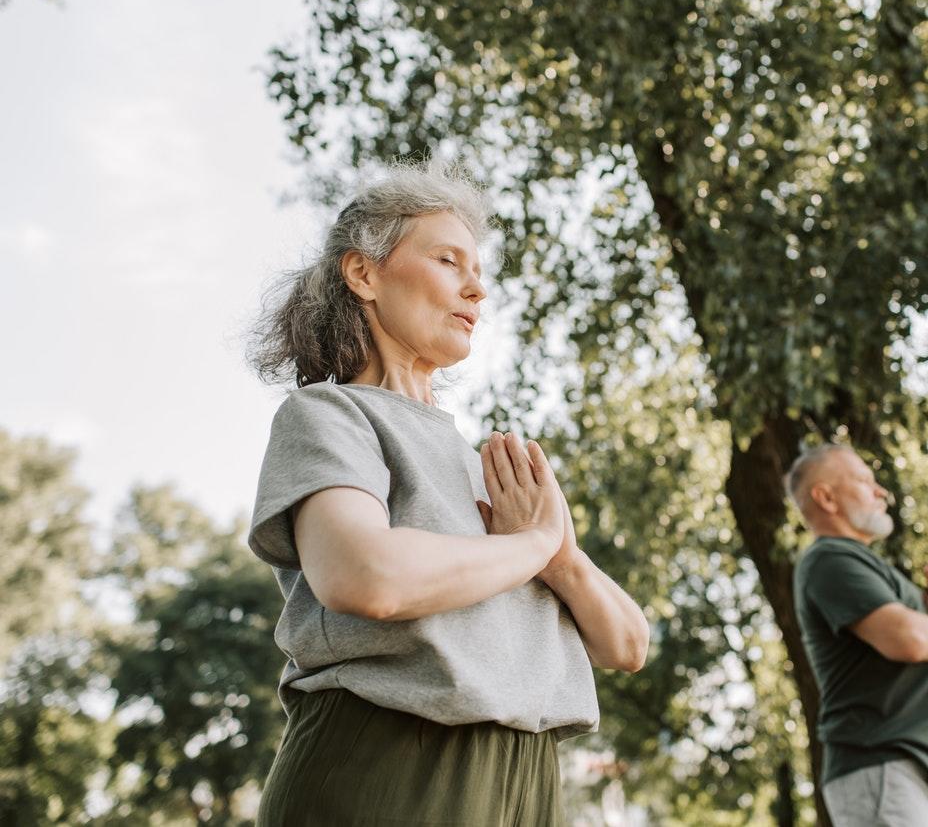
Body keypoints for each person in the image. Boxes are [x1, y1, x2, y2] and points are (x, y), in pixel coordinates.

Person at [245, 160, 649, 826]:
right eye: (449, 260)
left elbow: (627, 645)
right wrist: (533, 542)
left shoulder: (492, 474)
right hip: (389, 768)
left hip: (528, 786)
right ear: (364, 273)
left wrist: (558, 557)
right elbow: (363, 574)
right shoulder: (330, 414)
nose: (476, 289)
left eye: (480, 272)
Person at [788, 444, 928, 826]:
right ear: (825, 497)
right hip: (884, 770)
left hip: (913, 777)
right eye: (864, 481)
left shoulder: (880, 573)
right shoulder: (830, 560)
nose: (881, 492)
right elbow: (911, 641)